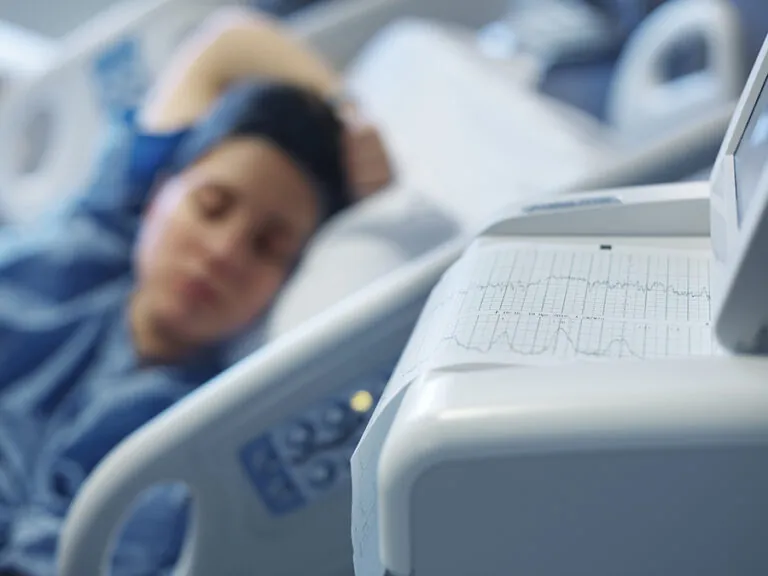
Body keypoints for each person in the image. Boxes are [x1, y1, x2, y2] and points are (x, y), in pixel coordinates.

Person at [0, 8, 392, 576]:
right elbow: (227, 44)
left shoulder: (177, 442)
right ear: (159, 192)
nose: (223, 251)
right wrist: (347, 114)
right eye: (211, 206)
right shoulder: (92, 243)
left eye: (267, 246)